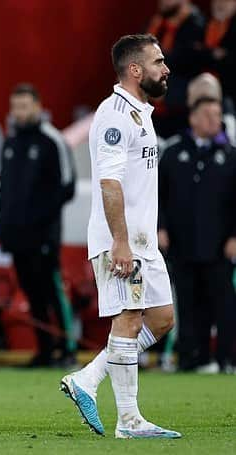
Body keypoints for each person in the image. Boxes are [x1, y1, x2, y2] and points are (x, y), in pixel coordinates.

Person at [60, 34, 181, 439]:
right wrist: (121, 242)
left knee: (162, 319)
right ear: (135, 69)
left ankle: (88, 380)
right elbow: (109, 183)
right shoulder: (114, 114)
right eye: (158, 61)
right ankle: (129, 420)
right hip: (121, 241)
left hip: (144, 241)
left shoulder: (141, 112)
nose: (166, 69)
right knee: (128, 320)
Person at [0, 83, 77, 367]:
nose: (18, 112)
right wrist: (5, 227)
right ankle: (45, 350)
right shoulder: (11, 143)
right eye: (15, 107)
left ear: (38, 107)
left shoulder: (51, 140)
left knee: (52, 289)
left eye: (24, 106)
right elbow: (5, 191)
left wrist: (38, 218)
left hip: (44, 234)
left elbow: (67, 186)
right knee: (32, 292)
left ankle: (67, 348)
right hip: (18, 237)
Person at [159, 97, 236, 372]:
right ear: (193, 118)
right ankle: (192, 358)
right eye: (207, 114)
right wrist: (160, 227)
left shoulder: (229, 155)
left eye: (217, 114)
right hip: (182, 243)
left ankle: (227, 359)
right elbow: (158, 195)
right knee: (188, 304)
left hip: (219, 245)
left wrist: (234, 236)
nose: (214, 120)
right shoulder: (172, 152)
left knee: (224, 304)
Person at [147, 0, 205, 137]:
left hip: (180, 115)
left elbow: (185, 66)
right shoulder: (157, 23)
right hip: (152, 111)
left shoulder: (196, 27)